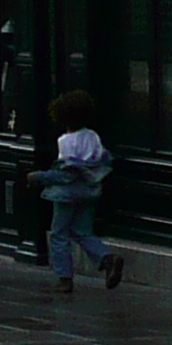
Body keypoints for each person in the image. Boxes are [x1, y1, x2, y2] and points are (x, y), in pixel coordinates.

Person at [33, 90, 125, 295]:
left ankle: (64, 278)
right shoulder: (93, 136)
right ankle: (107, 258)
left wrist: (40, 176)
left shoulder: (65, 141)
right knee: (83, 231)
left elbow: (66, 173)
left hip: (66, 195)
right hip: (90, 191)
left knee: (59, 234)